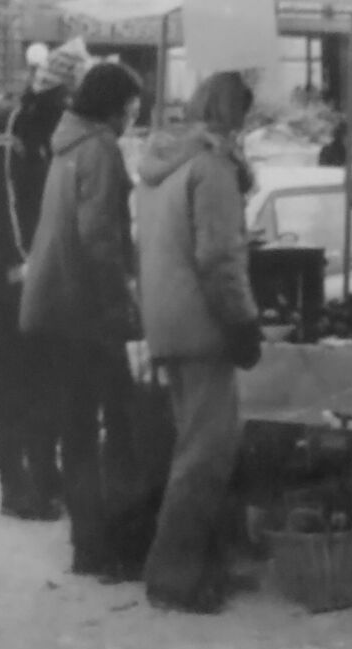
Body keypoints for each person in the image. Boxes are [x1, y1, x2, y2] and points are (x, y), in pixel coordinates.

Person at [134, 71, 263, 614]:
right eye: (245, 117)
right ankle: (174, 576)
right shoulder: (211, 168)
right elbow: (219, 257)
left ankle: (203, 566)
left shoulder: (166, 162)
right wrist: (243, 323)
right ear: (231, 115)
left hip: (166, 319)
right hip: (202, 324)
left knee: (195, 447)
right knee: (206, 455)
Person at [19, 62, 144, 579]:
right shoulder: (101, 149)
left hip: (55, 307)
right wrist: (123, 310)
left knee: (76, 429)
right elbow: (100, 241)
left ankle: (87, 546)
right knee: (120, 425)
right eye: (134, 103)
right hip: (87, 311)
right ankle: (112, 546)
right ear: (116, 105)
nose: (137, 112)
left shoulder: (67, 145)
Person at [0, 44, 87, 520]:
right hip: (2, 266)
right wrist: (24, 261)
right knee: (10, 370)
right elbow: (8, 199)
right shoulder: (11, 126)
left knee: (42, 368)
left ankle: (41, 470)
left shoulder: (48, 124)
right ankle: (13, 480)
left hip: (33, 264)